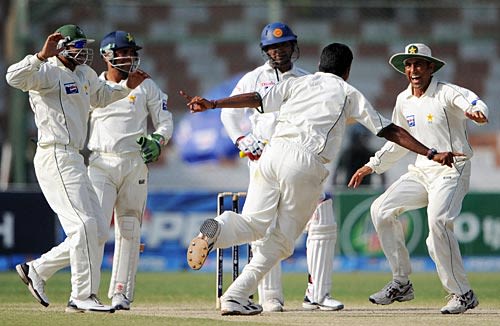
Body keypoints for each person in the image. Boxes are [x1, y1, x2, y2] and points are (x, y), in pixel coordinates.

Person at [181, 42, 460, 316]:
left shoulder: (298, 83)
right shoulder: (348, 92)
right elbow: (388, 129)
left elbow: (256, 98)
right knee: (280, 242)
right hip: (304, 162)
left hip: (271, 153)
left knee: (253, 225)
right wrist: (430, 152)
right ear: (347, 70)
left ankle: (218, 228)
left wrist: (214, 103)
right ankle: (236, 296)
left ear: (319, 65)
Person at [6, 24, 148, 313]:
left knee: (96, 231)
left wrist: (125, 88)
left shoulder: (84, 74)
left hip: (75, 157)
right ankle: (81, 296)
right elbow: (12, 77)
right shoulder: (45, 72)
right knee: (83, 225)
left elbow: (101, 97)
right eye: (78, 46)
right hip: (54, 154)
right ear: (62, 47)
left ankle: (37, 270)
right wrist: (39, 56)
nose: (83, 52)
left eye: (85, 46)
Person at [348, 43, 488, 314]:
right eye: (408, 65)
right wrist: (372, 166)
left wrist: (479, 113)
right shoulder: (404, 100)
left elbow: (471, 100)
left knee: (438, 221)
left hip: (452, 169)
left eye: (419, 64)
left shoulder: (446, 92)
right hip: (421, 170)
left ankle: (462, 293)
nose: (413, 70)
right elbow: (400, 142)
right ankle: (401, 282)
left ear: (430, 67)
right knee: (380, 209)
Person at [220, 22, 342, 312]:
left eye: (284, 45)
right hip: (263, 160)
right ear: (265, 50)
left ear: (293, 47)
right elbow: (229, 113)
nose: (279, 51)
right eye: (273, 47)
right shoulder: (253, 78)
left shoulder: (306, 80)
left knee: (322, 216)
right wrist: (242, 140)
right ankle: (270, 295)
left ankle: (318, 294)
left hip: (300, 160)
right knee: (263, 227)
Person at [87, 30, 173, 310]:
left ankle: (121, 292)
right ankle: (85, 292)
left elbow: (165, 121)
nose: (129, 57)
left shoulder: (146, 85)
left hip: (135, 162)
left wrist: (158, 141)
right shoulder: (92, 85)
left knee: (129, 228)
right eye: (122, 52)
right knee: (95, 228)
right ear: (106, 56)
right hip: (100, 162)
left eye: (131, 52)